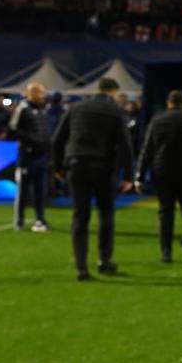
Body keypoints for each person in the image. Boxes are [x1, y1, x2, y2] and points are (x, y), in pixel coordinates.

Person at [52, 77, 134, 281]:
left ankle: (81, 267)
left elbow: (58, 139)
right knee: (106, 215)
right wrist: (129, 175)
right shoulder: (115, 111)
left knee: (80, 216)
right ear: (114, 92)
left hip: (77, 165)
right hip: (103, 167)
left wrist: (58, 167)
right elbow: (125, 145)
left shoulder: (77, 108)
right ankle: (104, 261)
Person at [135, 89, 182, 264]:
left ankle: (166, 253)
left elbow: (147, 149)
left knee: (165, 212)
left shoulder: (158, 120)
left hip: (163, 171)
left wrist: (139, 175)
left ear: (168, 103)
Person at [9, 82, 52, 232]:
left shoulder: (43, 110)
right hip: (27, 156)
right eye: (40, 93)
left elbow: (45, 131)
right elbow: (13, 129)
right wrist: (30, 142)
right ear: (32, 93)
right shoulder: (22, 108)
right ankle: (19, 220)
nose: (43, 96)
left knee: (41, 189)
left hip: (42, 156)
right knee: (24, 190)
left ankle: (40, 219)